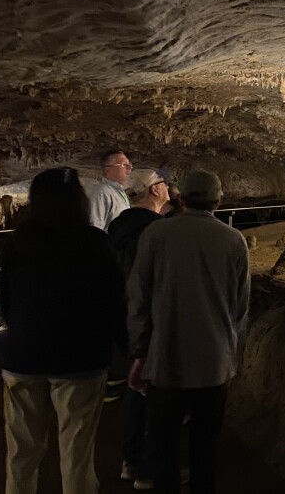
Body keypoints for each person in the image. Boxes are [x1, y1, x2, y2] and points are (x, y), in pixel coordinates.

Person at [0, 167, 125, 494]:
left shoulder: (17, 242)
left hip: (23, 357)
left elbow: (7, 302)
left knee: (21, 454)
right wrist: (124, 348)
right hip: (79, 360)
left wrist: (23, 333)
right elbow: (113, 301)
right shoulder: (96, 243)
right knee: (76, 453)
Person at [127, 170, 250, 494]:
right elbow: (240, 305)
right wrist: (230, 351)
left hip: (165, 358)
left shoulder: (156, 235)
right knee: (204, 447)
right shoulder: (233, 240)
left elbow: (138, 299)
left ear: (181, 199)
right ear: (218, 201)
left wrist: (140, 353)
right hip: (214, 361)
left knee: (164, 444)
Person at [108, 168, 170, 489]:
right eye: (163, 182)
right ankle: (150, 470)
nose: (169, 186)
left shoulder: (117, 225)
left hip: (124, 316)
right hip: (152, 318)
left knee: (135, 388)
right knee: (157, 390)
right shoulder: (159, 231)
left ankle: (131, 460)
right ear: (154, 190)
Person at [88, 148, 133, 231]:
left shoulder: (119, 191)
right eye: (123, 165)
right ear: (107, 168)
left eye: (129, 164)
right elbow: (95, 227)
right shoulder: (102, 192)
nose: (129, 168)